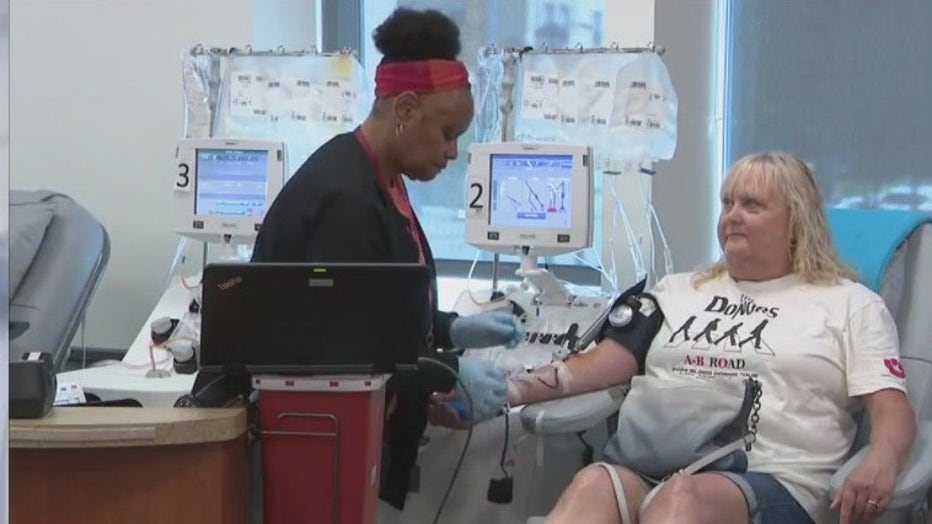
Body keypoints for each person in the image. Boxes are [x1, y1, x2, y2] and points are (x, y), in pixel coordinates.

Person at [430, 152, 917, 524]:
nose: (733, 215)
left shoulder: (848, 304)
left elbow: (889, 407)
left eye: (752, 205)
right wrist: (505, 391)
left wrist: (882, 456)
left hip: (773, 478)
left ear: (797, 220)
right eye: (727, 203)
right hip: (653, 464)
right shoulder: (679, 290)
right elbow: (602, 363)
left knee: (681, 498)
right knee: (594, 483)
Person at [249, 7, 522, 509]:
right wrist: (448, 372)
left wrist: (450, 329)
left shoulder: (382, 179)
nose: (452, 152)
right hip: (314, 443)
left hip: (340, 435)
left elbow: (376, 310)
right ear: (406, 110)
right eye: (447, 132)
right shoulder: (346, 201)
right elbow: (344, 353)